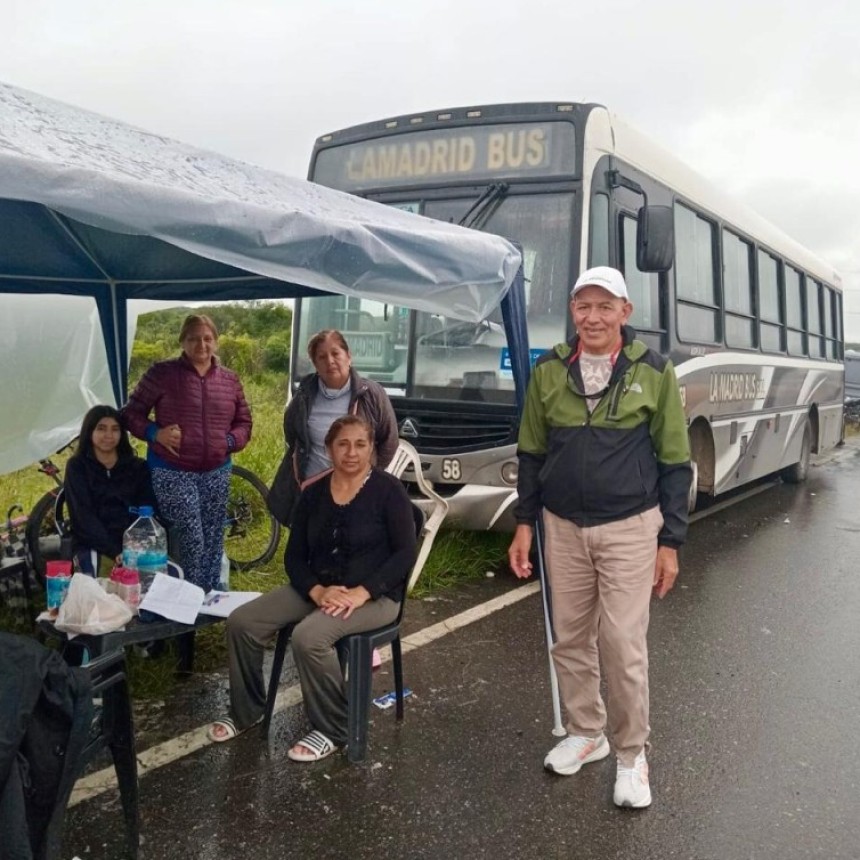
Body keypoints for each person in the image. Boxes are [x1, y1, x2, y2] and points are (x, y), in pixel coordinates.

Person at [508, 265, 692, 809]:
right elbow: (531, 453)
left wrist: (671, 542)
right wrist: (525, 522)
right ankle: (586, 732)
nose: (593, 317)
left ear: (625, 313)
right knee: (569, 639)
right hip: (562, 527)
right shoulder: (548, 369)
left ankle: (632, 756)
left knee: (621, 644)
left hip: (631, 527)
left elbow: (676, 460)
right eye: (583, 306)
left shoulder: (654, 372)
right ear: (573, 311)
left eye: (605, 306)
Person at [208, 415, 417, 759]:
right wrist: (317, 591)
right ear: (329, 449)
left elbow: (405, 554)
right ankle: (248, 710)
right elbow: (294, 558)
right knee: (242, 622)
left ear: (372, 450)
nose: (352, 452)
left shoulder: (388, 491)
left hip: (374, 596)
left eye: (360, 444)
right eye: (343, 444)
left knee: (309, 637)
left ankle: (334, 728)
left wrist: (362, 592)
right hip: (319, 588)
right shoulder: (313, 493)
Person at [122, 314, 252, 593]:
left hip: (217, 470)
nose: (201, 344)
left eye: (207, 338)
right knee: (192, 536)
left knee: (213, 537)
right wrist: (155, 433)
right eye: (193, 338)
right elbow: (131, 414)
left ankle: (204, 600)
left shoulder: (229, 380)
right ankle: (190, 600)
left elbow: (244, 423)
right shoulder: (162, 373)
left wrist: (228, 441)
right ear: (182, 341)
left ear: (216, 341)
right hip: (172, 469)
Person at [267, 329, 399, 527]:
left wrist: (368, 474)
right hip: (312, 488)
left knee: (349, 547)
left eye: (335, 353)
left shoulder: (372, 394)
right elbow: (292, 433)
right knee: (311, 548)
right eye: (322, 356)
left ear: (348, 356)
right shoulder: (304, 395)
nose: (330, 361)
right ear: (315, 364)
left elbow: (389, 440)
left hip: (355, 490)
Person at [64, 405, 157, 575]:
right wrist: (114, 551)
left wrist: (133, 547)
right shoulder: (77, 467)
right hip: (92, 544)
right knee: (97, 578)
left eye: (115, 429)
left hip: (135, 544)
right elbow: (82, 517)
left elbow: (147, 509)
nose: (108, 435)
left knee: (171, 576)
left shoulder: (137, 467)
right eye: (101, 429)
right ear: (89, 432)